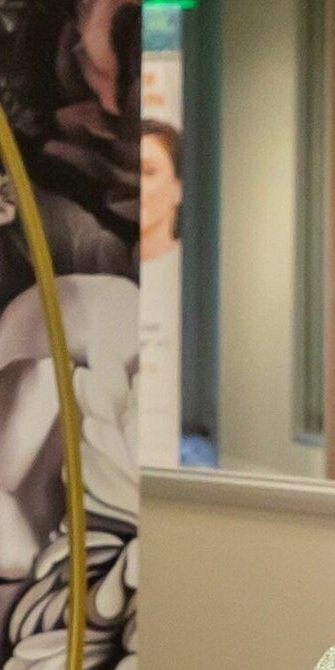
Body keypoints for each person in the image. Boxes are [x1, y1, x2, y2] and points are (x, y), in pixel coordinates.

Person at [137, 118, 183, 468]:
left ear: (178, 189)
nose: (137, 185)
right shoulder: (111, 271)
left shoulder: (189, 278)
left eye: (149, 171)